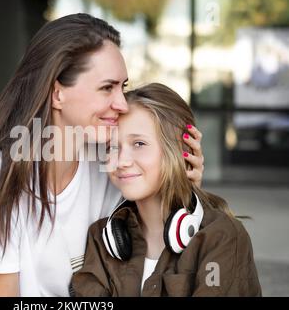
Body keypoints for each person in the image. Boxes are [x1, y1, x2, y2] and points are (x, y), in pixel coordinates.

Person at [0, 14, 205, 297]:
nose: (121, 103)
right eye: (107, 87)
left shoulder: (111, 164)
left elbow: (156, 264)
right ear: (57, 94)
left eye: (123, 87)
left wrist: (182, 187)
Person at [71, 83, 262, 297]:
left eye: (139, 143)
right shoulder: (101, 239)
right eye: (112, 147)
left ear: (178, 150)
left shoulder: (221, 237)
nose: (121, 161)